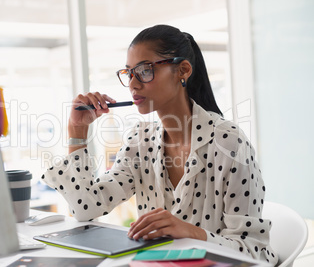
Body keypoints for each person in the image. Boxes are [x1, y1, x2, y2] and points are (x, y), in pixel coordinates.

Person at [42, 24, 278, 264]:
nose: (133, 83)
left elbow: (253, 252)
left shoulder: (229, 143)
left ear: (183, 70)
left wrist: (193, 233)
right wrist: (77, 131)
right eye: (128, 73)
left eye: (144, 70)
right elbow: (86, 208)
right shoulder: (140, 140)